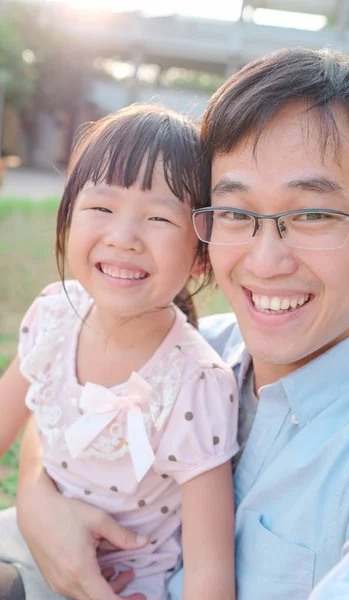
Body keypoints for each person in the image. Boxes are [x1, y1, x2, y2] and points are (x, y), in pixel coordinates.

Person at [1, 45, 349, 600]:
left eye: (312, 214)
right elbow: (57, 406)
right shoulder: (185, 347)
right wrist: (39, 505)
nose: (264, 261)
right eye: (236, 212)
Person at [0, 104, 239, 600]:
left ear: (200, 256)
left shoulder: (196, 383)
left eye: (157, 217)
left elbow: (209, 573)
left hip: (120, 587)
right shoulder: (53, 317)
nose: (123, 237)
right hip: (33, 536)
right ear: (67, 218)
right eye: (102, 208)